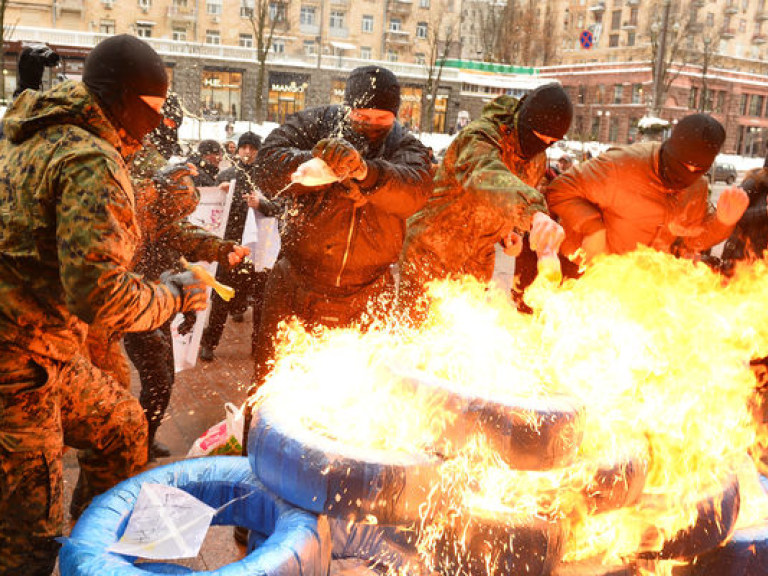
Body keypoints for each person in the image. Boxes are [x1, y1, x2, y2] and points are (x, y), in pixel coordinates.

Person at [0, 35, 209, 576]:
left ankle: (96, 552)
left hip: (46, 346)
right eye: (154, 110)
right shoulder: (90, 158)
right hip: (19, 369)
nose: (159, 123)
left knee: (121, 426)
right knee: (27, 544)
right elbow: (102, 297)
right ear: (121, 100)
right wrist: (175, 295)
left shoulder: (35, 132)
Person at [86, 93, 249, 460]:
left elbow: (177, 231)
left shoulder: (161, 183)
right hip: (125, 295)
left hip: (152, 290)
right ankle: (124, 451)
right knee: (124, 388)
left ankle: (144, 438)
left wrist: (221, 248)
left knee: (163, 380)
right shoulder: (122, 165)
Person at [252, 64, 433, 386]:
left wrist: (368, 174)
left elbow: (415, 191)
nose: (372, 126)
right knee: (274, 383)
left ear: (395, 114)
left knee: (358, 391)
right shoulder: (313, 123)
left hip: (369, 290)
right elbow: (266, 167)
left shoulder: (405, 144)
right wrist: (318, 167)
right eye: (363, 117)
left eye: (382, 119)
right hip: (297, 280)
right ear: (349, 108)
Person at [400, 83, 571, 312]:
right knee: (415, 339)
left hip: (475, 268)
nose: (542, 145)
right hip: (430, 258)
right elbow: (485, 177)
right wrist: (534, 212)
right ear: (524, 121)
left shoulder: (537, 160)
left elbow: (504, 203)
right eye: (539, 137)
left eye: (551, 142)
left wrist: (510, 232)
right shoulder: (480, 137)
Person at [545, 113, 748, 264]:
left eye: (698, 170)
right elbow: (558, 190)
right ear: (670, 150)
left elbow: (693, 240)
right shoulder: (620, 166)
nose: (688, 175)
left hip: (644, 291)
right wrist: (592, 227)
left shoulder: (697, 187)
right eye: (683, 166)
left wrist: (723, 222)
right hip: (592, 274)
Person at [199, 131, 279, 362]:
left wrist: (261, 203)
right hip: (231, 247)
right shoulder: (226, 175)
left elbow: (279, 207)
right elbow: (213, 210)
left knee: (261, 302)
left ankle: (259, 345)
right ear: (238, 150)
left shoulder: (268, 177)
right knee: (222, 297)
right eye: (244, 147)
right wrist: (221, 192)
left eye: (252, 148)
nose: (247, 152)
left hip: (258, 249)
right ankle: (209, 343)